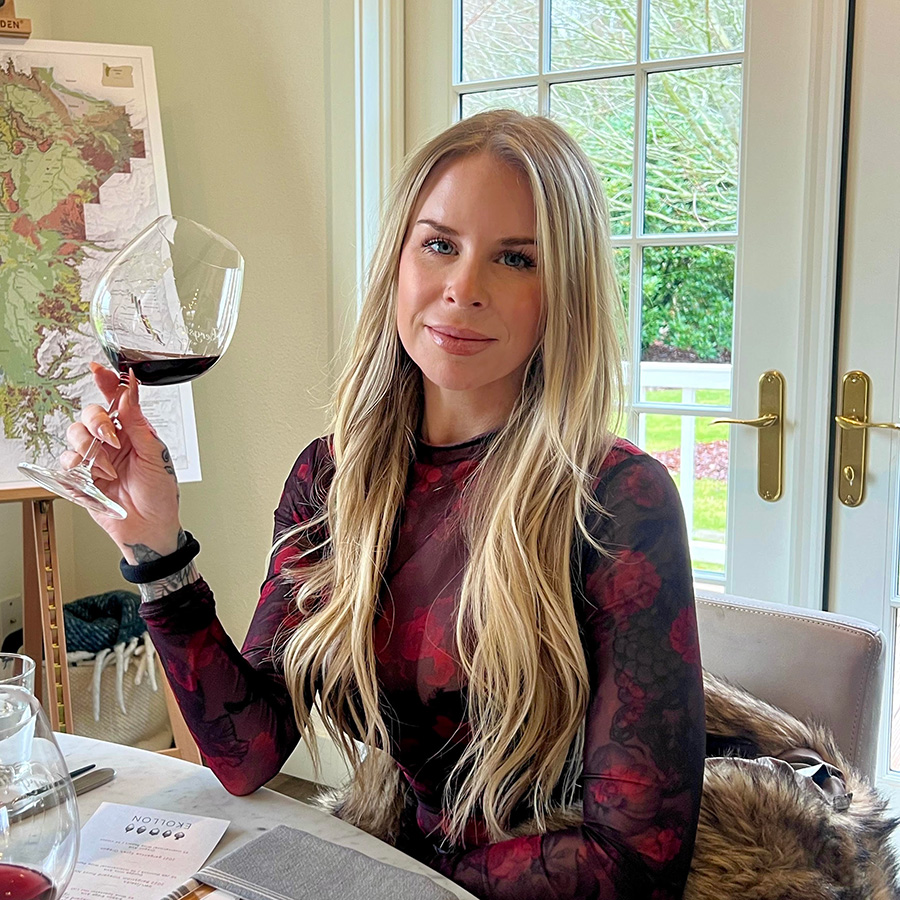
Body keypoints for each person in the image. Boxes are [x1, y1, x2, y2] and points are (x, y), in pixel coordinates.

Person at [63, 110, 706, 900]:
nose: (463, 289)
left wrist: (373, 881)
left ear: (563, 292)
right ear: (397, 264)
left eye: (514, 258)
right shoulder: (332, 479)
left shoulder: (618, 500)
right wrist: (155, 547)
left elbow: (636, 864)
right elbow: (250, 752)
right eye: (440, 245)